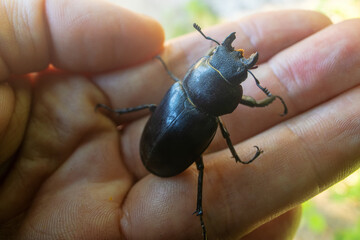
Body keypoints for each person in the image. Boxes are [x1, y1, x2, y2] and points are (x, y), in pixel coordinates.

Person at [0, 0, 359, 239]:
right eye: (221, 58)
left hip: (160, 149)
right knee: (198, 163)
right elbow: (250, 105)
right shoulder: (207, 111)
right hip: (161, 151)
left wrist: (270, 99)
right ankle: (198, 208)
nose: (227, 57)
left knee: (164, 121)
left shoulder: (182, 91)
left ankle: (196, 203)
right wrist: (271, 100)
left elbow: (239, 102)